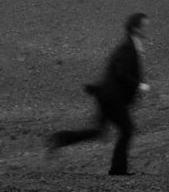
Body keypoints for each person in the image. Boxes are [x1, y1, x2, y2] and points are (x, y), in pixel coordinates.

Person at [47, 12, 151, 175]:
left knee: (99, 131)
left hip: (106, 96)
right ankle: (118, 170)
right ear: (136, 28)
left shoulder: (131, 45)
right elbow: (121, 73)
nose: (147, 29)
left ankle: (60, 139)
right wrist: (139, 86)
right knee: (127, 130)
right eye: (144, 26)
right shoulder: (127, 47)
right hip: (112, 97)